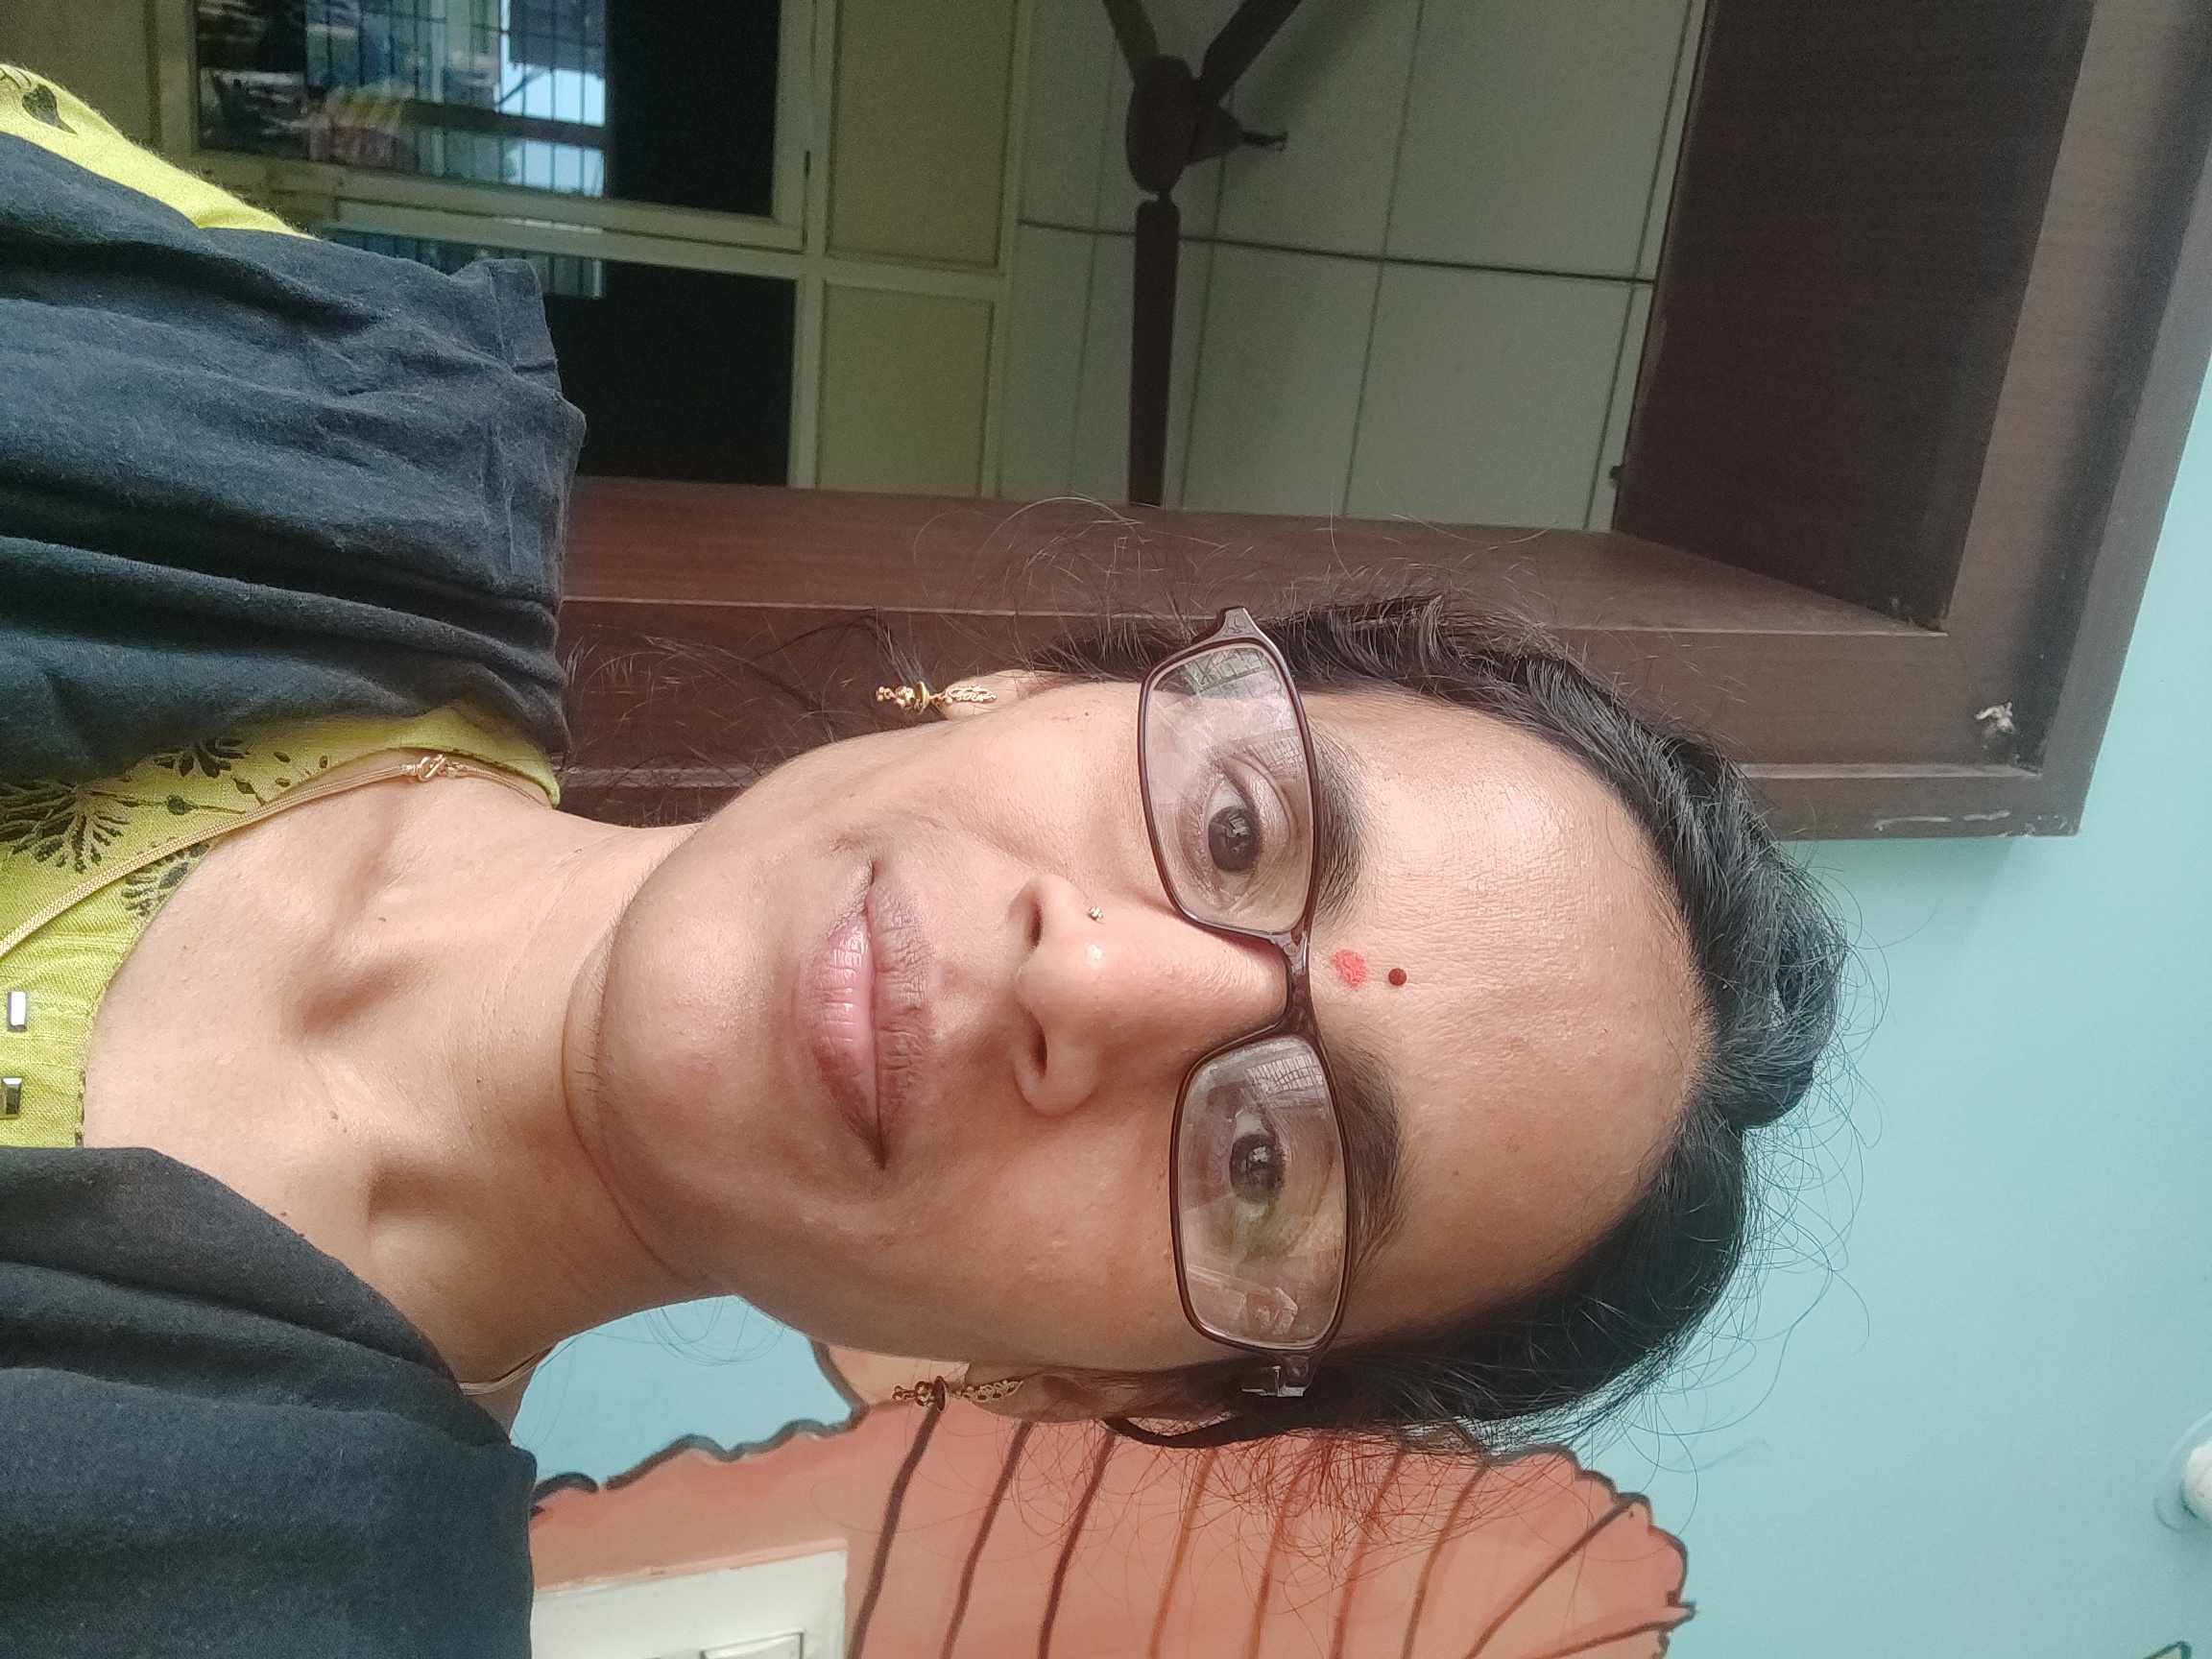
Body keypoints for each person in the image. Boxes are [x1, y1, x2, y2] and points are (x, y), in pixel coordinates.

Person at [0, 65, 1846, 1656]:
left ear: (1087, 1386)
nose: (1094, 978)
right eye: (1234, 829)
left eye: (1265, 1165)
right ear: (1026, 686)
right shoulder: (305, 386)